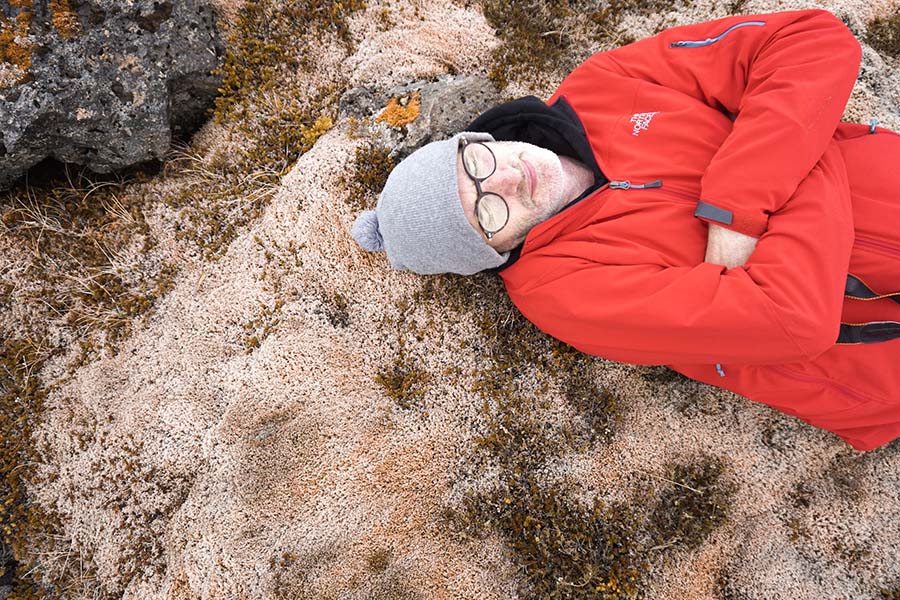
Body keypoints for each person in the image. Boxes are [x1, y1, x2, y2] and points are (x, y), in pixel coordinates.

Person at [351, 8, 900, 452]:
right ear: (496, 253)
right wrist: (804, 140)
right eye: (487, 213)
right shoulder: (561, 293)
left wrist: (740, 203)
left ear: (477, 140)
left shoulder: (605, 84)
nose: (510, 180)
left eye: (476, 165)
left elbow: (813, 39)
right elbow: (793, 318)